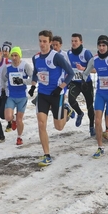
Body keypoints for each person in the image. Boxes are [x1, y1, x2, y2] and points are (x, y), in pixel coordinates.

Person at [30, 30, 75, 167]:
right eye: (40, 41)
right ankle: (47, 155)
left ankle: (67, 110)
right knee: (41, 123)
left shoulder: (56, 57)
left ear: (50, 42)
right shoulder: (35, 58)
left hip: (56, 95)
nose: (42, 44)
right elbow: (36, 73)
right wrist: (33, 86)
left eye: (45, 41)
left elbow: (70, 73)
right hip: (42, 94)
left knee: (59, 127)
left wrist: (60, 87)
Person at [2, 46, 33, 146]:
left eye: (16, 55)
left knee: (20, 120)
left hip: (22, 96)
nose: (14, 58)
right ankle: (13, 120)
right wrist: (4, 87)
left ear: (20, 56)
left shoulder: (25, 66)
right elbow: (3, 79)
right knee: (7, 117)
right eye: (12, 56)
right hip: (11, 96)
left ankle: (19, 137)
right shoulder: (7, 67)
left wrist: (23, 81)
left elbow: (33, 78)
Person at [67, 33, 95, 136]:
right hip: (75, 82)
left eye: (76, 41)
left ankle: (92, 127)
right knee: (71, 100)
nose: (73, 43)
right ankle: (79, 113)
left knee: (90, 106)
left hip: (86, 83)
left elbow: (95, 69)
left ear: (81, 42)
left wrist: (83, 69)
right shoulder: (69, 54)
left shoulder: (86, 53)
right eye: (72, 41)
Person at [1, 41, 13, 132]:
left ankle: (10, 123)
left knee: (8, 106)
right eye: (3, 50)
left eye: (6, 50)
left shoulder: (12, 60)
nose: (5, 52)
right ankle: (11, 120)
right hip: (2, 87)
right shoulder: (0, 60)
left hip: (11, 87)